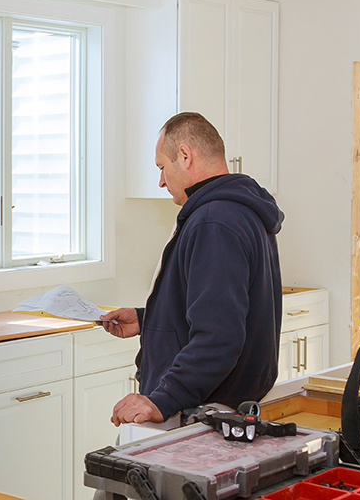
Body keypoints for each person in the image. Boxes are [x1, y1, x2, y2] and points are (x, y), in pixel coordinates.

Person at [100, 112, 283, 426]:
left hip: (203, 413)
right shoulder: (239, 211)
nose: (160, 181)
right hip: (226, 408)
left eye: (162, 167)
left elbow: (219, 337)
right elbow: (221, 309)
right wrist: (148, 319)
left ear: (184, 156)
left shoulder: (215, 221)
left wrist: (162, 399)